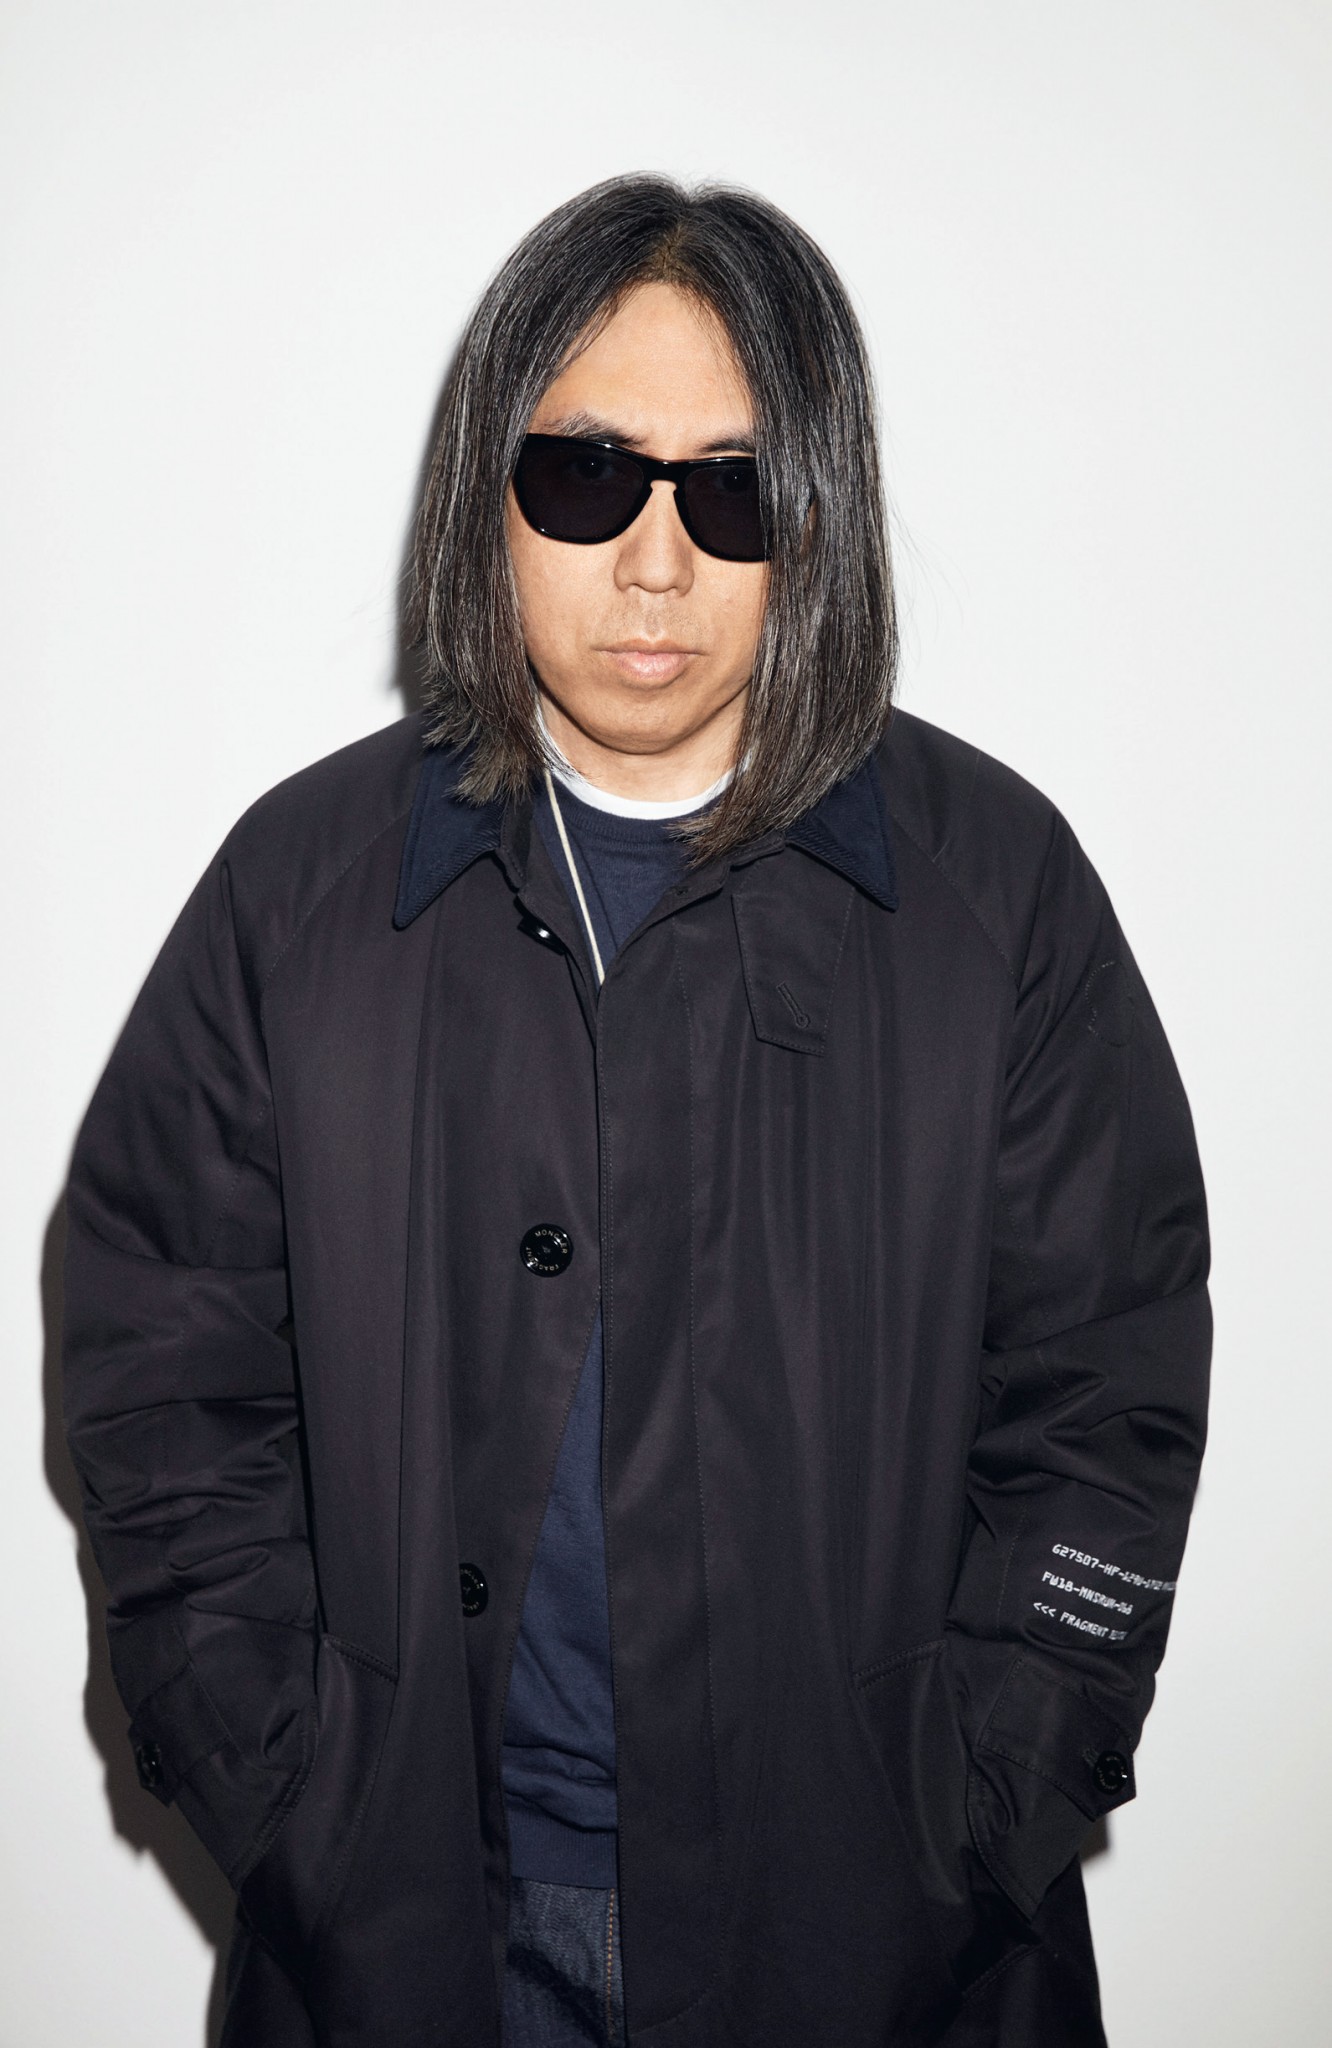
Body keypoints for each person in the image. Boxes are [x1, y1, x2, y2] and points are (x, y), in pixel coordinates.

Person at [61, 175, 1210, 2048]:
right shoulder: (303, 893)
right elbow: (159, 1359)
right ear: (489, 495)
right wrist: (287, 1793)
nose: (657, 562)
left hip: (879, 1952)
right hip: (416, 1946)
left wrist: (982, 1804)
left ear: (817, 521)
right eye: (588, 476)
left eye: (732, 491)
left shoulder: (994, 897)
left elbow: (1108, 1387)